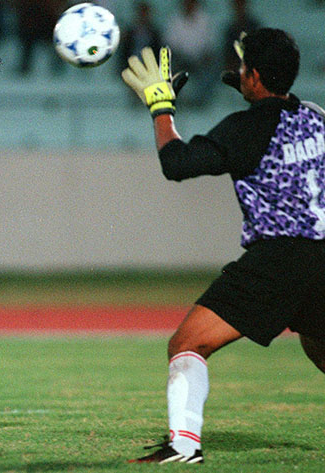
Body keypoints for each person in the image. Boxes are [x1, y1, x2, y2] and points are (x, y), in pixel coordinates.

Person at [121, 28, 325, 463]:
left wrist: (160, 106)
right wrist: (260, 89)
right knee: (319, 348)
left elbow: (177, 164)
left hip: (280, 256)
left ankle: (183, 446)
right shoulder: (316, 116)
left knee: (187, 344)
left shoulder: (245, 128)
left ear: (252, 74)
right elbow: (279, 115)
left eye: (243, 67)